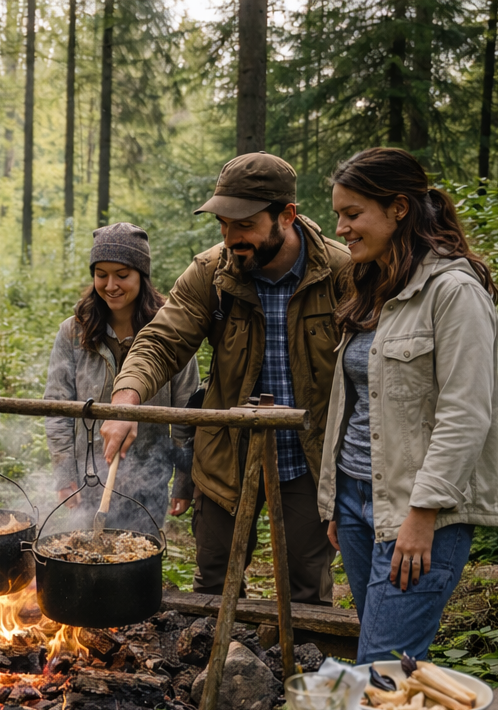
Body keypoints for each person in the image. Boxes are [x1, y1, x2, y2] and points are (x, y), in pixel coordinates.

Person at [100, 153, 351, 604]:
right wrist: (126, 399)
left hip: (311, 458)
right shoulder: (211, 272)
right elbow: (163, 338)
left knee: (305, 588)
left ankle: (295, 671)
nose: (232, 237)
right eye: (223, 224)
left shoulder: (342, 273)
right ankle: (205, 667)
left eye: (245, 224)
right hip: (224, 456)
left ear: (286, 216)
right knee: (214, 580)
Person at [321, 148, 498, 663]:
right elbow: (358, 403)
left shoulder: (455, 292)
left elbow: (467, 415)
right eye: (338, 215)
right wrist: (339, 498)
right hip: (357, 503)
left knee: (380, 668)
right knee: (389, 662)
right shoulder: (374, 284)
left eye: (353, 214)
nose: (342, 228)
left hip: (420, 510)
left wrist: (422, 515)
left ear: (399, 208)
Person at [44, 223, 199, 533]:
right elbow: (57, 409)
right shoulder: (74, 332)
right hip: (88, 480)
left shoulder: (170, 332)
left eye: (122, 275)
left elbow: (187, 414)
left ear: (142, 274)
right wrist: (64, 475)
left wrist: (183, 481)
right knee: (88, 562)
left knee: (138, 561)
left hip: (149, 480)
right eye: (101, 274)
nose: (111, 285)